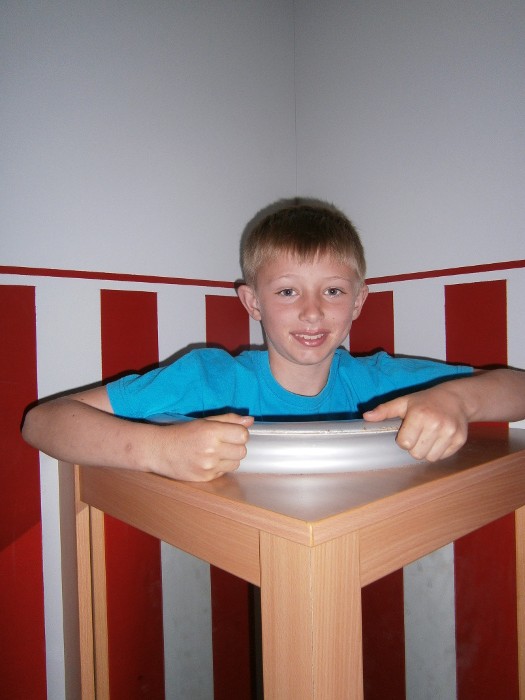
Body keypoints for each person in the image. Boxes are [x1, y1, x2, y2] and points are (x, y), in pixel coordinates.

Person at [22, 200, 525, 481]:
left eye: (333, 291)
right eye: (287, 291)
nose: (312, 311)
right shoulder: (210, 379)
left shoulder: (381, 383)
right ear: (253, 302)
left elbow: (518, 389)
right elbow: (42, 422)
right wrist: (157, 450)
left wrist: (457, 401)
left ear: (358, 301)